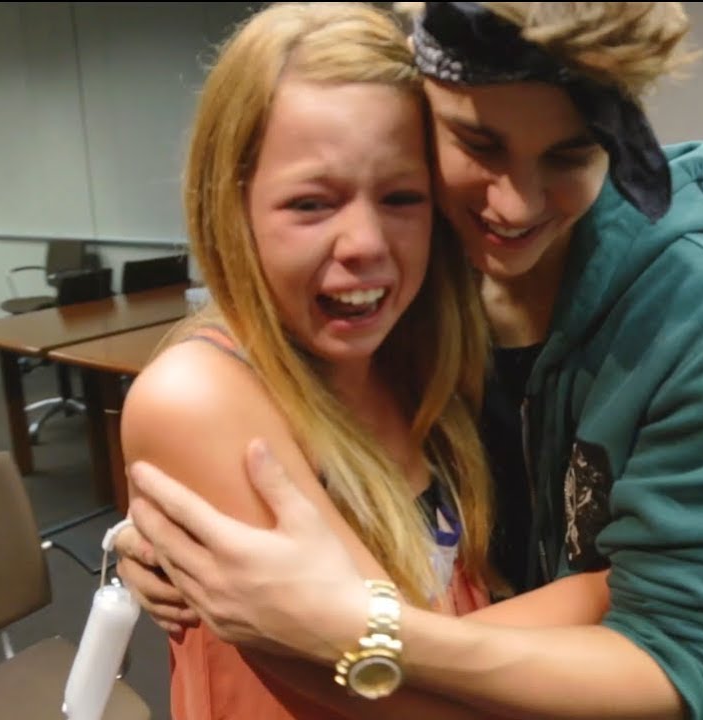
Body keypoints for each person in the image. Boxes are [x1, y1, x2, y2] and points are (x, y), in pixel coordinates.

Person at [125, 2, 703, 718]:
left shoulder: (696, 318)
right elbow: (379, 678)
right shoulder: (409, 305)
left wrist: (363, 630)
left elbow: (667, 656)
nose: (513, 207)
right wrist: (613, 584)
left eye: (569, 154)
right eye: (478, 143)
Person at [117, 3, 507, 718]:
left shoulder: (412, 362)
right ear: (232, 208)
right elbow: (405, 692)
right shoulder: (198, 396)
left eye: (402, 197)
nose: (365, 243)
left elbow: (450, 637)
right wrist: (630, 588)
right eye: (311, 204)